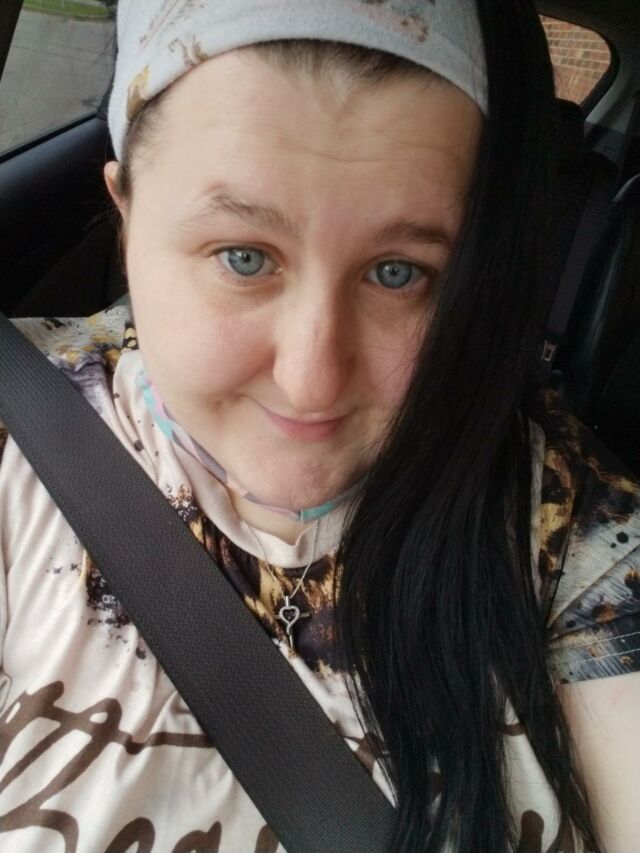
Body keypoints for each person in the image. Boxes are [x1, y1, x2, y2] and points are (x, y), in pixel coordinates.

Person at [1, 0, 639, 850]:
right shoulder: (18, 430)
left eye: (398, 271)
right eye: (244, 257)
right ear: (127, 214)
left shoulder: (572, 530)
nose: (312, 378)